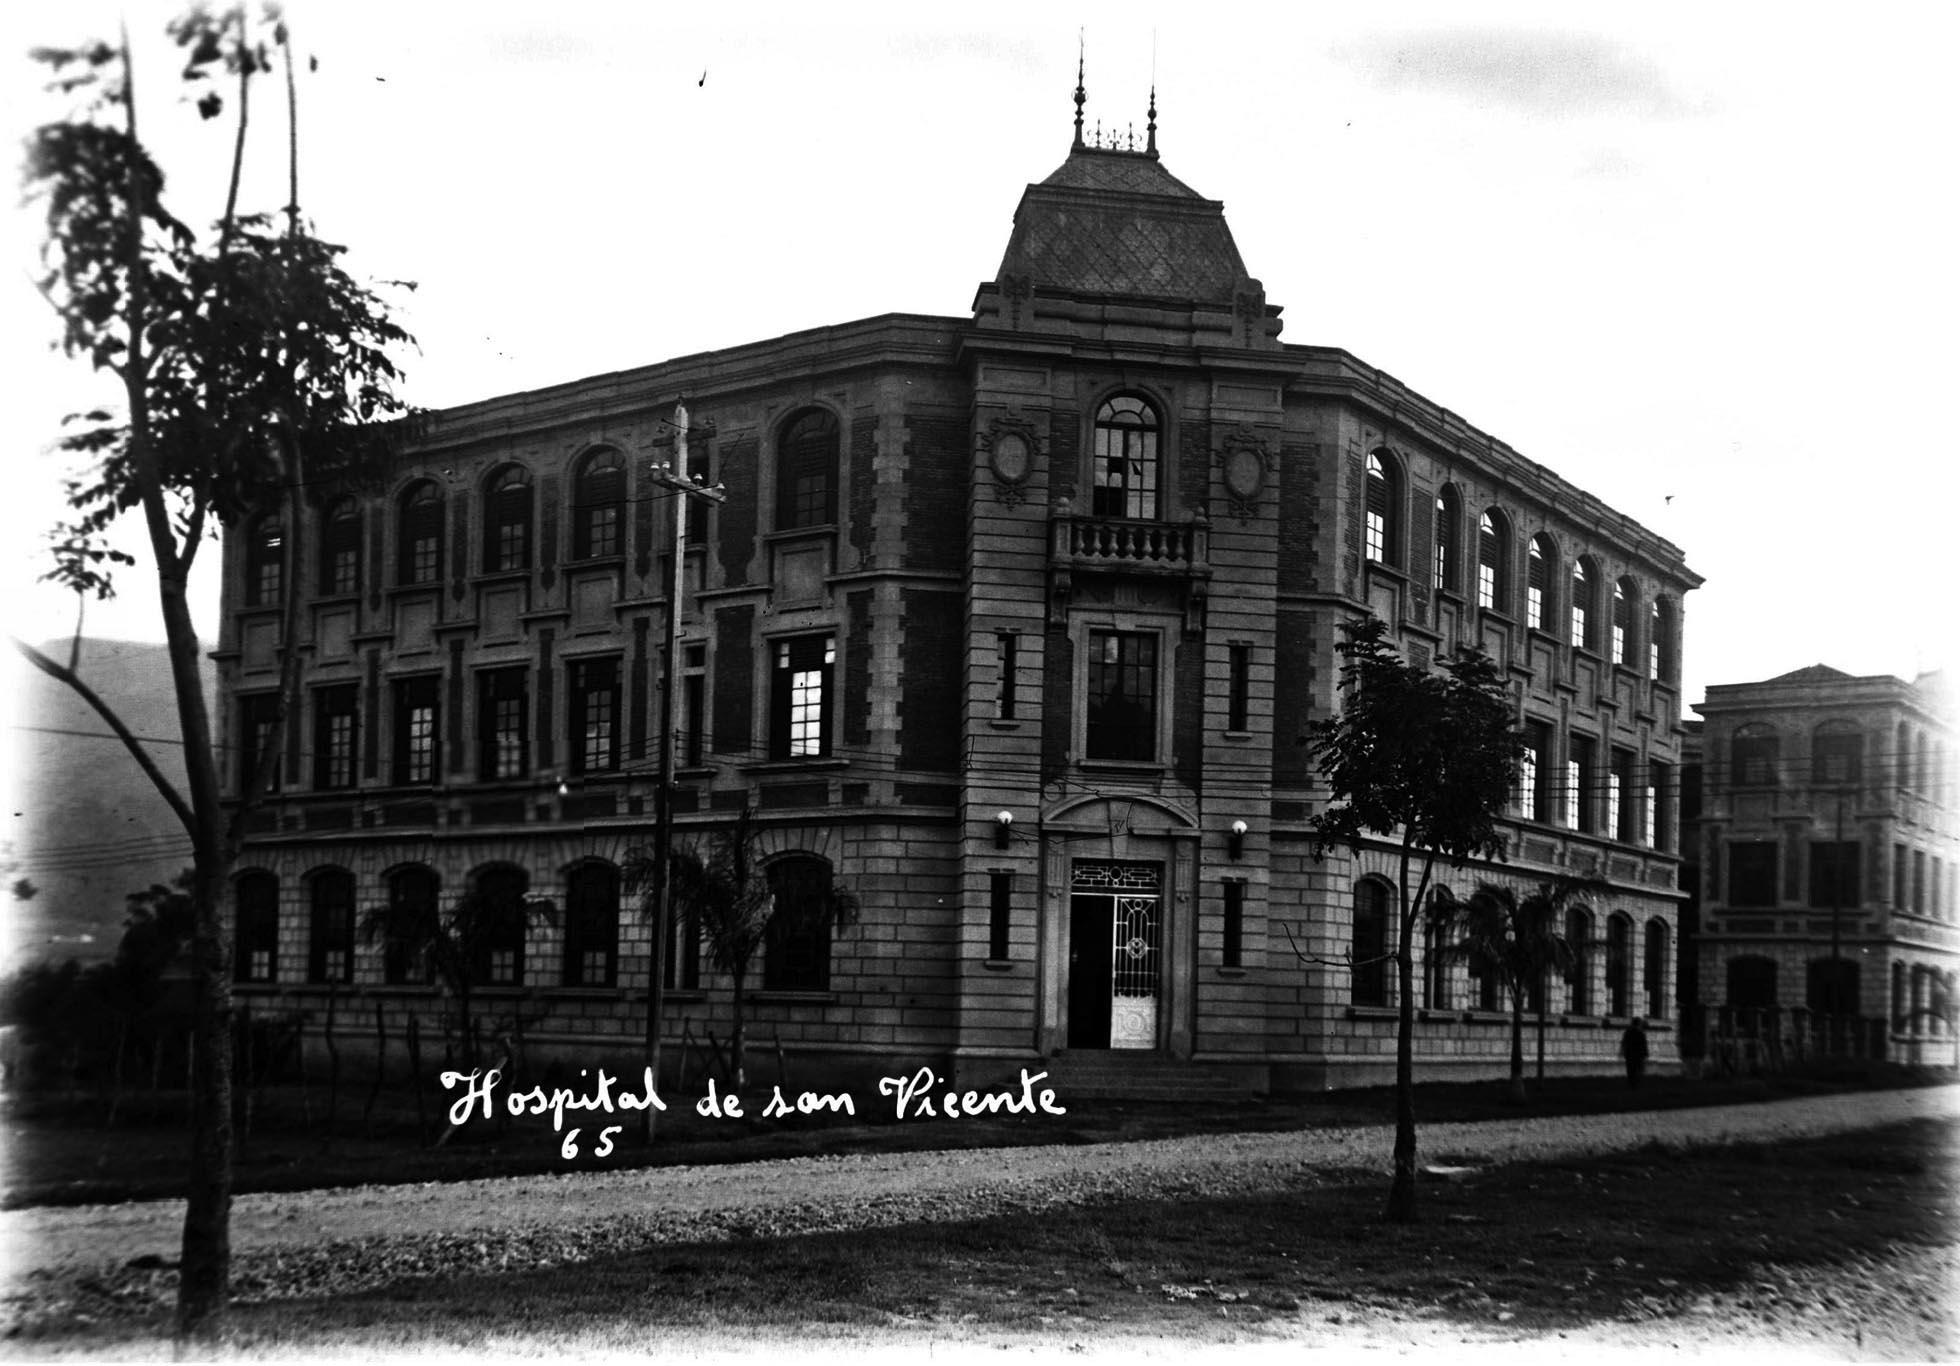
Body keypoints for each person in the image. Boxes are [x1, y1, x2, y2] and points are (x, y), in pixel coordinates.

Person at [1620, 1017, 1650, 1090]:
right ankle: (1636, 1085)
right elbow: (1643, 1044)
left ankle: (1631, 1084)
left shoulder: (1628, 1032)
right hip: (1638, 1055)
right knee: (1638, 1069)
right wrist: (1646, 1053)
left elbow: (1624, 1043)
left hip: (1630, 1054)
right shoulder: (1641, 1033)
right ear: (1639, 1024)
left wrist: (1623, 1052)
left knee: (1630, 1070)